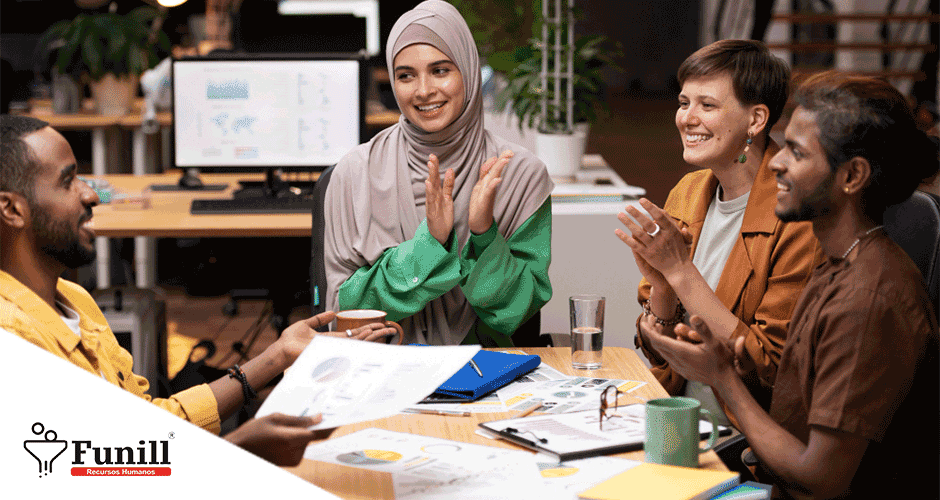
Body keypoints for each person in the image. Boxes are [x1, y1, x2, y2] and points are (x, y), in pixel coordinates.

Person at [0, 114, 396, 465]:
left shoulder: (74, 300)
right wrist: (238, 451)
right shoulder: (14, 337)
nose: (90, 194)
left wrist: (277, 356)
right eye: (68, 181)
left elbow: (146, 428)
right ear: (12, 210)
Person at [641, 71, 939, 498]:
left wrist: (722, 377)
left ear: (851, 176)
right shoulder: (839, 261)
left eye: (796, 152)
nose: (776, 161)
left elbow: (820, 477)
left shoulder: (867, 299)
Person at [323, 0, 554, 347]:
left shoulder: (520, 175)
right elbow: (343, 313)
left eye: (441, 70)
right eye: (406, 75)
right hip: (381, 374)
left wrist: (484, 233)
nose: (423, 90)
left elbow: (516, 313)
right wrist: (428, 245)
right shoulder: (354, 173)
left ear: (469, 71)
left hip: (486, 380)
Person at [616, 40, 822, 428]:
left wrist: (679, 272)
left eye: (706, 105)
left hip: (747, 441)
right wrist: (661, 288)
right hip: (675, 420)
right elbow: (657, 354)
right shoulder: (687, 192)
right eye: (683, 103)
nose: (686, 119)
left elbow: (768, 368)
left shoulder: (797, 216)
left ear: (756, 120)